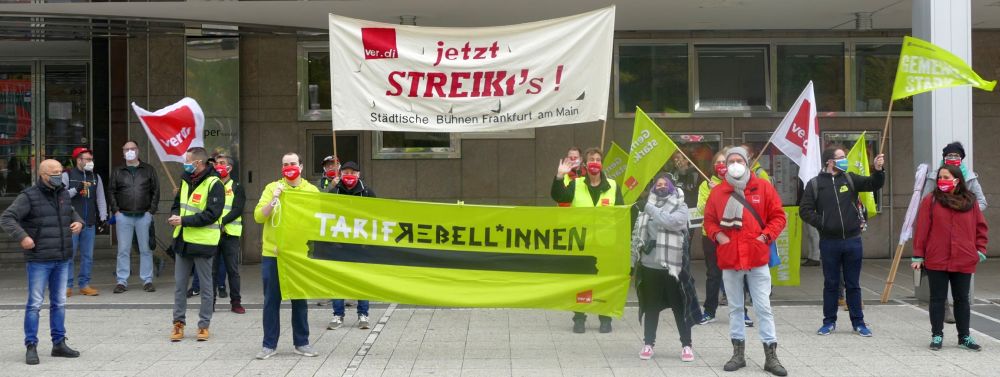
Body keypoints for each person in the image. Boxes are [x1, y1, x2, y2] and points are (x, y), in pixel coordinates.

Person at [703, 146, 787, 376]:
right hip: (730, 258)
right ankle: (738, 354)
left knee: (763, 308)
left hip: (757, 258)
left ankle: (771, 356)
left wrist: (764, 237)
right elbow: (709, 220)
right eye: (731, 161)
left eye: (739, 159)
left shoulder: (763, 187)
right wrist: (718, 236)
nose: (735, 164)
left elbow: (778, 216)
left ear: (747, 162)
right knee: (735, 308)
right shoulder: (718, 192)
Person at [1, 159, 84, 365]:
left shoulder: (63, 193)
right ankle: (31, 345)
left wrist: (79, 222)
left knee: (59, 303)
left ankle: (59, 343)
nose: (59, 175)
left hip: (62, 256)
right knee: (35, 304)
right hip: (39, 258)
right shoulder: (28, 196)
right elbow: (7, 218)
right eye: (54, 172)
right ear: (43, 175)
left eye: (60, 171)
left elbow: (72, 214)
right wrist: (23, 237)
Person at [800, 146, 884, 337]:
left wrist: (879, 170)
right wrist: (823, 223)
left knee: (853, 284)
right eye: (841, 157)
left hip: (853, 241)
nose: (844, 160)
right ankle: (829, 322)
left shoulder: (850, 178)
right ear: (830, 161)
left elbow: (873, 184)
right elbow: (804, 210)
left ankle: (859, 322)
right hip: (829, 242)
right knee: (831, 283)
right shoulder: (815, 184)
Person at [912, 164, 988, 351]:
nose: (941, 181)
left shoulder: (970, 201)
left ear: (957, 180)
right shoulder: (930, 201)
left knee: (962, 299)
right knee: (937, 298)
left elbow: (981, 227)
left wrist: (980, 249)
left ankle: (964, 337)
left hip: (964, 258)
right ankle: (937, 335)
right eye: (940, 177)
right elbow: (921, 230)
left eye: (946, 177)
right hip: (937, 258)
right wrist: (918, 256)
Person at [254, 152, 320, 360]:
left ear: (300, 166)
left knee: (299, 300)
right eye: (285, 164)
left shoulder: (311, 191)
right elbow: (258, 216)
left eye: (292, 163)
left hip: (298, 255)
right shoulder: (272, 188)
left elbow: (317, 220)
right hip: (273, 254)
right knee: (271, 301)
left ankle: (302, 343)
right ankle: (268, 345)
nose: (289, 167)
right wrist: (274, 200)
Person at [551, 147, 623, 333]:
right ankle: (579, 318)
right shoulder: (576, 184)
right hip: (581, 242)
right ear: (585, 164)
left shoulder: (613, 186)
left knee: (605, 282)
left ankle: (605, 318)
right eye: (592, 159)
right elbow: (559, 196)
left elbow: (622, 215)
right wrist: (559, 177)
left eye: (598, 160)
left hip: (606, 243)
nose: (595, 163)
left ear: (602, 164)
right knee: (581, 281)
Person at [632, 173, 695, 362]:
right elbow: (636, 235)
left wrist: (650, 208)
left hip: (673, 268)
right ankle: (648, 344)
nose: (660, 186)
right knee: (651, 307)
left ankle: (686, 345)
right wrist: (633, 260)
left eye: (664, 184)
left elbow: (672, 222)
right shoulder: (644, 210)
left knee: (679, 307)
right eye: (657, 184)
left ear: (671, 187)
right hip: (650, 267)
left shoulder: (680, 206)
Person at [924, 142, 986, 324]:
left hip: (963, 236)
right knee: (938, 280)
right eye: (949, 156)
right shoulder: (934, 177)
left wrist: (966, 211)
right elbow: (925, 203)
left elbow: (981, 202)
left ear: (962, 158)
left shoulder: (971, 178)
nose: (952, 159)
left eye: (956, 156)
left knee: (961, 289)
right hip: (939, 234)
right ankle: (943, 312)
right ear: (943, 158)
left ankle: (963, 333)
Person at [169, 147, 224, 342]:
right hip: (183, 241)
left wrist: (184, 220)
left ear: (198, 163)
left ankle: (203, 325)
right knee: (180, 285)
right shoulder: (185, 179)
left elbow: (212, 214)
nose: (185, 163)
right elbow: (177, 203)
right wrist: (175, 215)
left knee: (206, 287)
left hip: (203, 243)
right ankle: (178, 324)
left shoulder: (214, 183)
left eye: (187, 160)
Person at [325, 161, 376, 330]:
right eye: (346, 172)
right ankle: (337, 315)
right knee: (337, 280)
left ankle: (363, 314)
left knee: (362, 280)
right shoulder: (335, 191)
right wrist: (331, 188)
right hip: (338, 245)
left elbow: (377, 215)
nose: (349, 175)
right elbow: (318, 205)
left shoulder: (367, 192)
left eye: (353, 172)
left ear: (359, 174)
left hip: (361, 245)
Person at [108, 140, 160, 294]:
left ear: (138, 150)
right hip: (123, 215)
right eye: (126, 149)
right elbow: (111, 191)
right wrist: (116, 211)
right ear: (123, 152)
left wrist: (151, 211)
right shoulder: (118, 171)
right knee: (123, 250)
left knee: (145, 249)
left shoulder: (148, 169)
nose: (130, 151)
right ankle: (122, 281)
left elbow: (156, 191)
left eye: (133, 148)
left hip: (144, 215)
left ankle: (147, 280)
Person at [62, 147, 108, 297]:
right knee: (69, 255)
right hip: (72, 223)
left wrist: (103, 217)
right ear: (79, 160)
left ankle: (84, 284)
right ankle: (67, 285)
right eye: (87, 159)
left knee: (88, 256)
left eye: (91, 159)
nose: (90, 162)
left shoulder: (95, 177)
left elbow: (100, 198)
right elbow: (61, 197)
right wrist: (76, 189)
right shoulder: (67, 175)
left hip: (89, 222)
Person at [696, 150, 727, 325]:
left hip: (732, 236)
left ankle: (740, 312)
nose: (721, 166)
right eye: (718, 162)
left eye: (725, 162)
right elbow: (702, 209)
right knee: (713, 274)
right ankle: (709, 311)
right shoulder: (705, 185)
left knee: (735, 275)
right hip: (710, 236)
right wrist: (714, 194)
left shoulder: (737, 184)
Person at [214, 155, 245, 314]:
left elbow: (237, 209)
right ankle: (210, 303)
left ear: (229, 168)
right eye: (217, 163)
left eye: (222, 163)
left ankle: (236, 303)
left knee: (232, 270)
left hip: (230, 234)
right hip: (212, 234)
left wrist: (222, 222)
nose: (218, 166)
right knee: (211, 270)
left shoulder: (237, 186)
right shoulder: (211, 185)